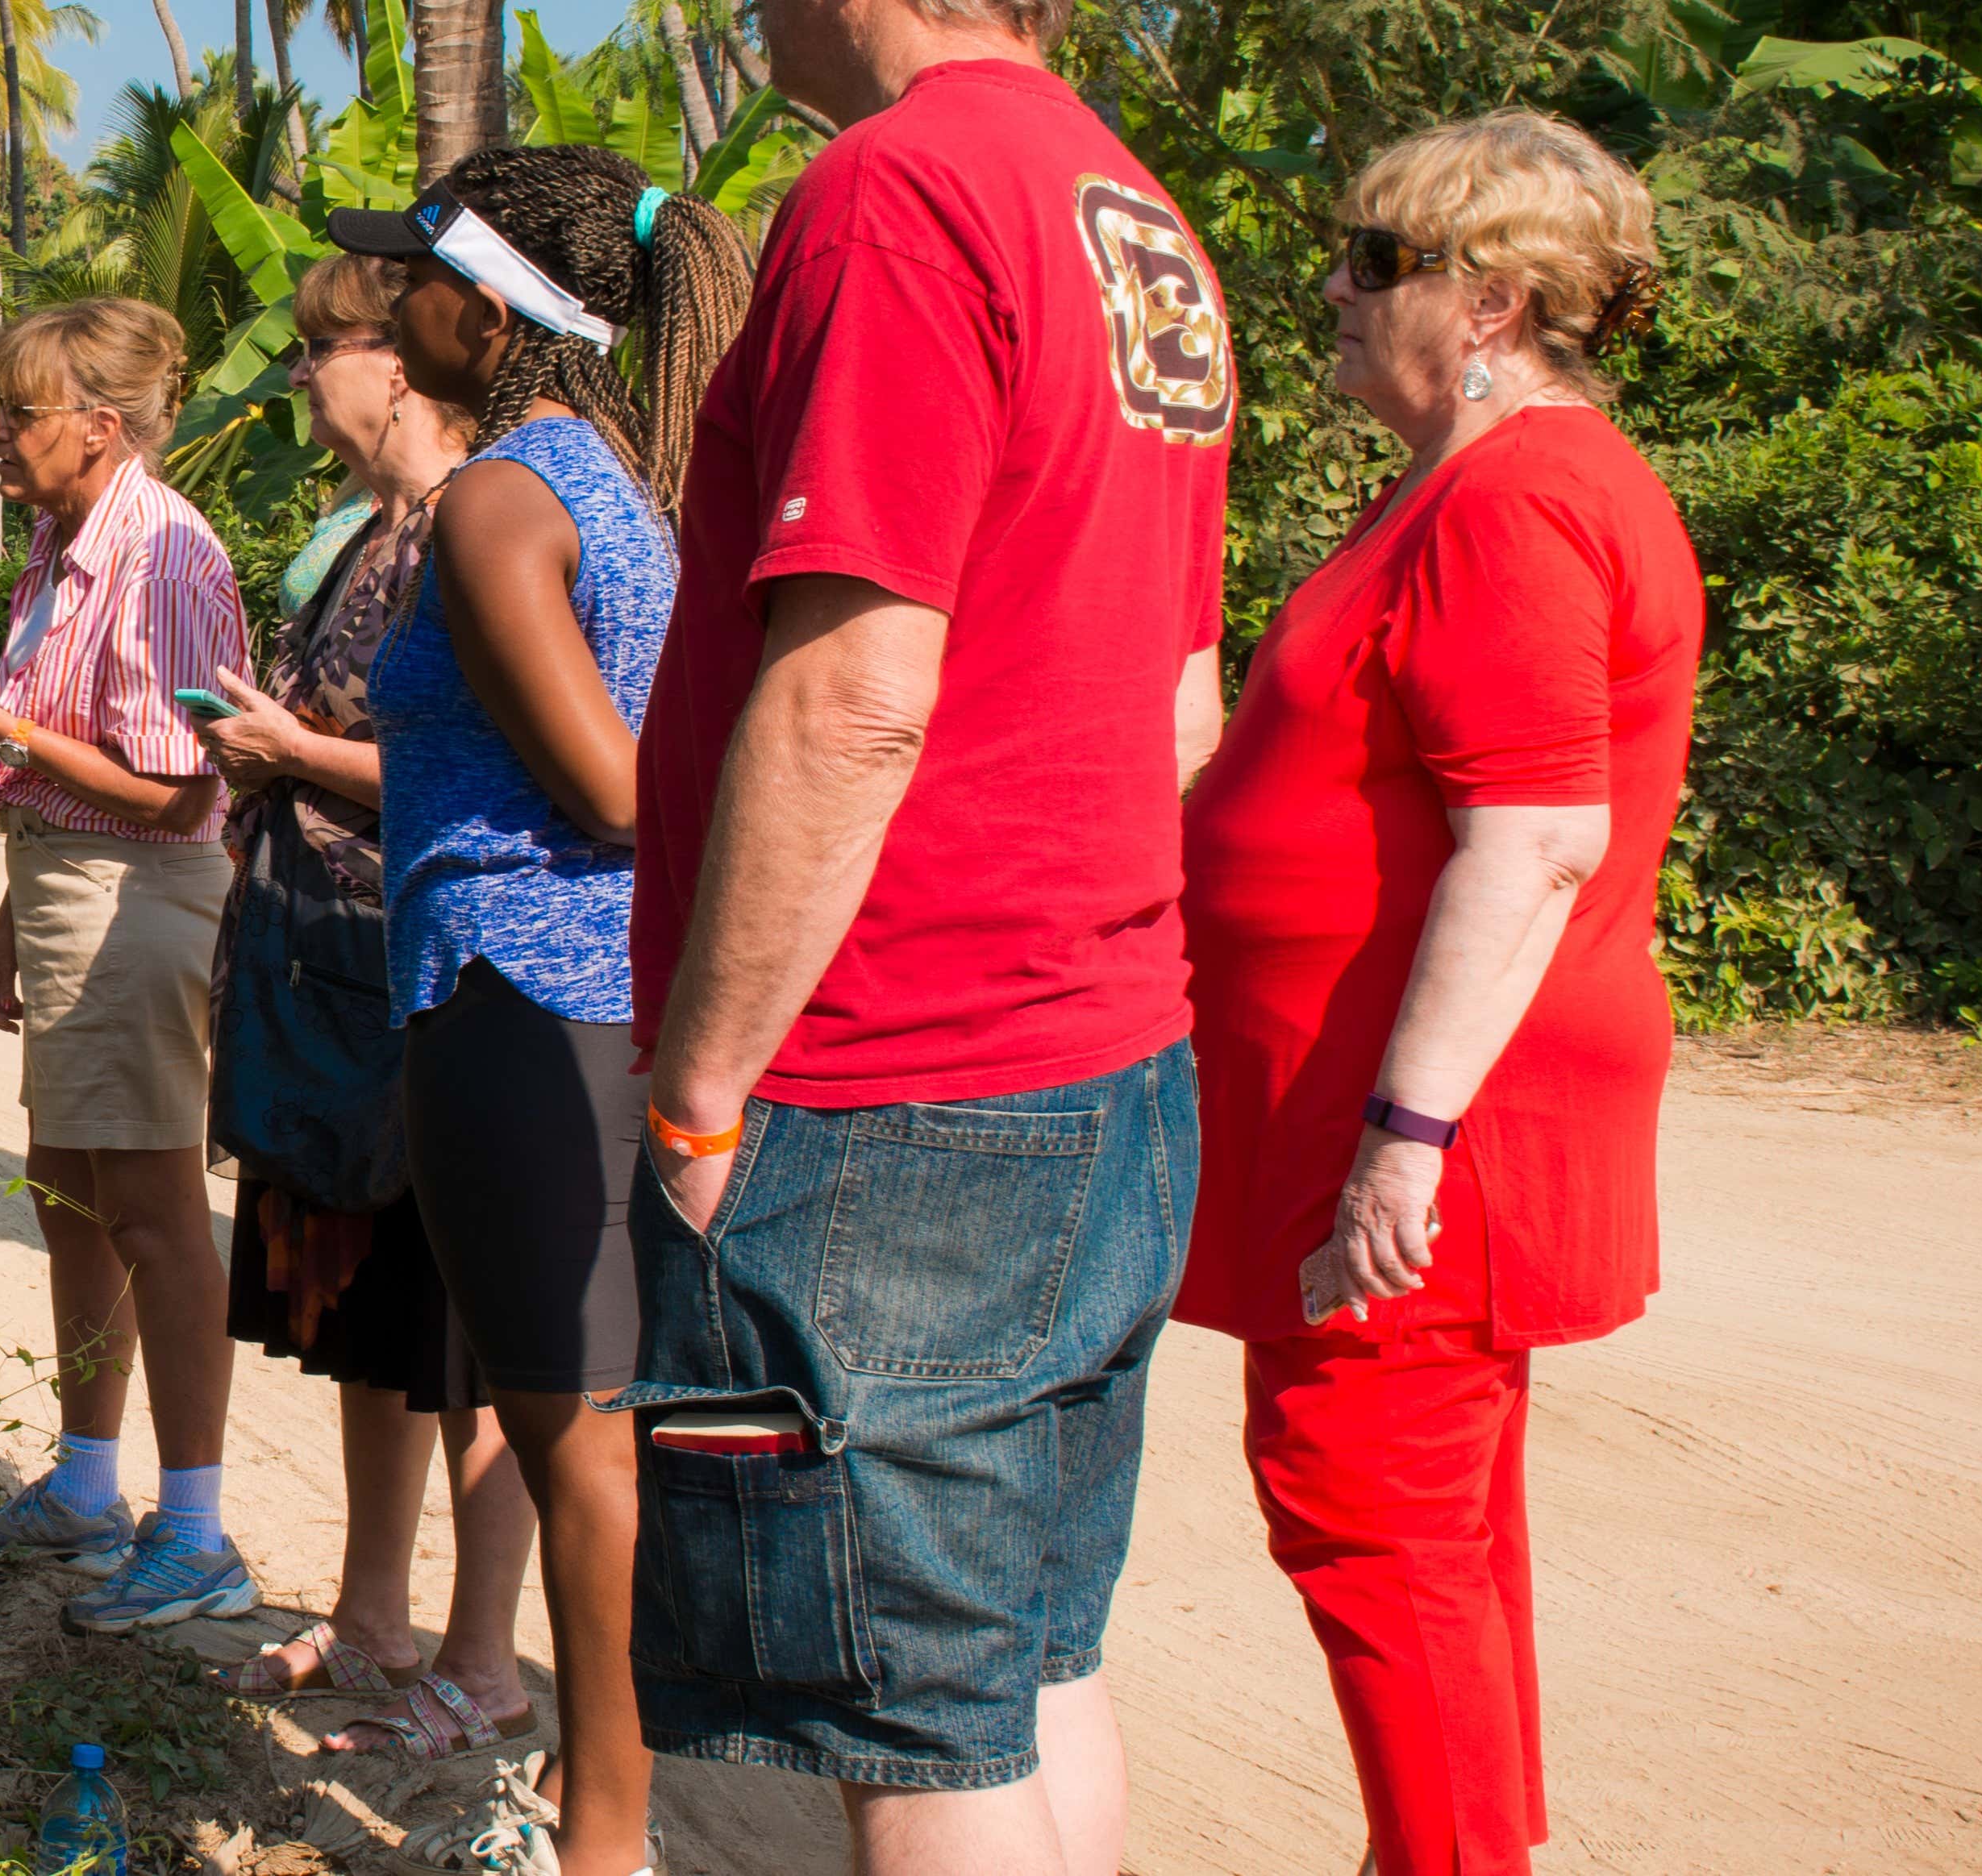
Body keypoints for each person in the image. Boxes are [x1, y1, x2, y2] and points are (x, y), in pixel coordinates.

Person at [620, 0, 1240, 1865]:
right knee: (1023, 1663)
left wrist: (704, 1089)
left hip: (899, 1079)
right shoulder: (1130, 216)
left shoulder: (896, 190)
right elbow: (1180, 693)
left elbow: (853, 695)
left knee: (906, 1724)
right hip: (1096, 1048)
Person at [1177, 113, 1697, 1876]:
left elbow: (1534, 833)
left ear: (1487, 300)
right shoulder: (1466, 486)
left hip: (1422, 1115)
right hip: (1404, 1098)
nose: (1330, 286)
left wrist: (1401, 1138)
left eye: (1372, 263)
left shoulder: (1516, 497)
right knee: (1432, 1527)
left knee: (1365, 1502)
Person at [321, 144, 751, 1876]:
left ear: (481, 316)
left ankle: (599, 1842)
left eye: (403, 275)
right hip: (583, 1006)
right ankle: (606, 1822)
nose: (376, 302)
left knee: (576, 1445)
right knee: (595, 1438)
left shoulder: (503, 495)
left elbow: (621, 793)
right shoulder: (609, 471)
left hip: (515, 995)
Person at [0, 297, 263, 1636]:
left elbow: (176, 793)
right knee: (70, 1195)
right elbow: (71, 757)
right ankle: (89, 1486)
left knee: (153, 1211)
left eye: (19, 412)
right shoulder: (68, 541)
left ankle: (196, 1528)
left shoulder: (164, 560)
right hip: (69, 890)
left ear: (100, 429)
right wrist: (8, 913)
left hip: (139, 902)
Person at [194, 254, 541, 1743]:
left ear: (394, 361)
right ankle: (372, 1613)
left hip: (433, 983)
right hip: (320, 980)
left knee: (467, 1340)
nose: (299, 379)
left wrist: (295, 754)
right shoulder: (360, 536)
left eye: (319, 349)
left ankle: (482, 1657)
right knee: (362, 1324)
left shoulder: (479, 527)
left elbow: (515, 773)